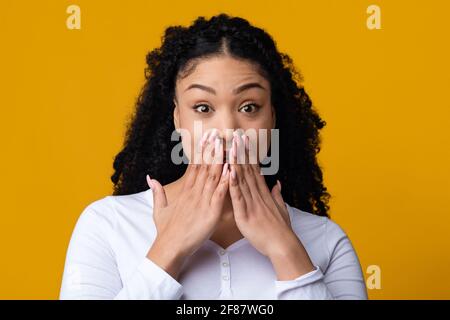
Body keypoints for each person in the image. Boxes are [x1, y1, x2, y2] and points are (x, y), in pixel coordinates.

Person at [59, 13, 368, 300]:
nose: (227, 130)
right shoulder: (107, 224)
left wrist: (284, 248)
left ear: (271, 118)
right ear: (178, 119)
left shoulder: (326, 240)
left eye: (249, 107)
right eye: (203, 108)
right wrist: (170, 248)